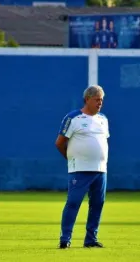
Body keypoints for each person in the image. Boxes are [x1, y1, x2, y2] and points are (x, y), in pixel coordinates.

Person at [55, 85, 110, 248]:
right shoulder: (73, 118)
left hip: (100, 170)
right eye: (96, 100)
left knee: (97, 204)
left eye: (101, 100)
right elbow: (59, 143)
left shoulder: (103, 119)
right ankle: (65, 239)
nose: (100, 103)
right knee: (73, 203)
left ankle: (91, 239)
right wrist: (71, 158)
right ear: (87, 99)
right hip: (79, 170)